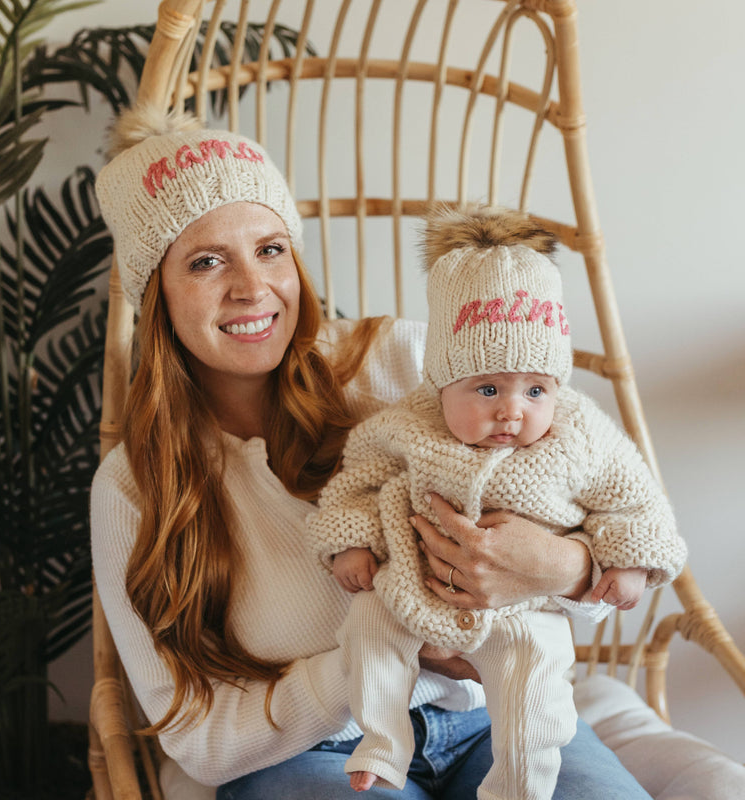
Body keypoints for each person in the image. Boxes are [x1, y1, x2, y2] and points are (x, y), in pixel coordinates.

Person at [90, 104, 657, 800]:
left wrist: (567, 568)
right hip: (315, 753)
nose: (251, 287)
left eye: (270, 249)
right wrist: (390, 656)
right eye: (207, 262)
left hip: (498, 719)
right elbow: (199, 740)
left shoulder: (409, 362)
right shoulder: (133, 489)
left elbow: (592, 492)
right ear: (156, 294)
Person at [309, 204, 687, 799]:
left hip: (525, 610)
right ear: (442, 383)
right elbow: (358, 479)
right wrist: (350, 542)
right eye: (487, 389)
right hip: (410, 584)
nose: (512, 410)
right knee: (368, 629)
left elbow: (635, 501)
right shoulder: (409, 421)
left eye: (535, 388)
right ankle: (383, 744)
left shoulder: (580, 433)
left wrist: (627, 563)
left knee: (535, 691)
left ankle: (520, 785)